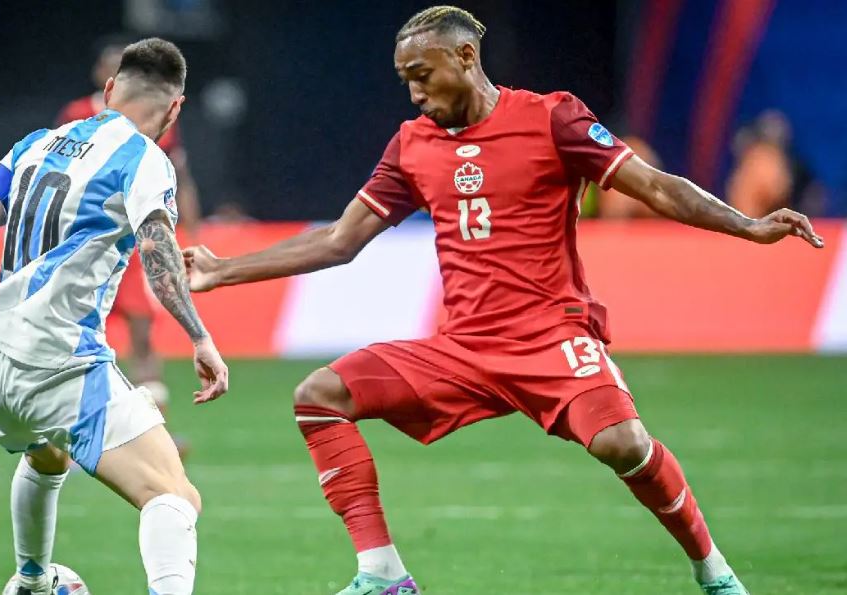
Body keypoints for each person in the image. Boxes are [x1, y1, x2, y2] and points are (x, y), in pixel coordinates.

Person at [183, 7, 823, 595]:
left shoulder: (553, 117)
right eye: (406, 79)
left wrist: (746, 225)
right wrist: (222, 270)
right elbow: (341, 241)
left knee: (624, 443)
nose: (414, 93)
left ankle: (714, 573)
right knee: (319, 395)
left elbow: (653, 186)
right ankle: (382, 574)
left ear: (465, 58)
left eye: (423, 75)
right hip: (462, 349)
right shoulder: (411, 145)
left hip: (551, 336)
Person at [0, 38, 228, 595]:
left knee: (47, 454)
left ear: (108, 91)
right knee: (174, 496)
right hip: (59, 360)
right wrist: (200, 336)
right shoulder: (146, 159)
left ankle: (32, 581)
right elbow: (157, 251)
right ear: (175, 110)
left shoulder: (36, 143)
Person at [58, 39, 204, 411]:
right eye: (110, 68)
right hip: (84, 244)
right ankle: (72, 430)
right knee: (78, 334)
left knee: (143, 334)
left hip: (132, 245)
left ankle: (154, 427)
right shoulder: (75, 114)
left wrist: (192, 231)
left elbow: (181, 176)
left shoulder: (158, 122)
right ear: (101, 78)